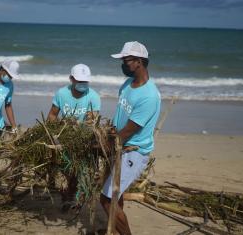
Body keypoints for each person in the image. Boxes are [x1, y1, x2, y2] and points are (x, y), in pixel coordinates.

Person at [100, 41, 161, 234]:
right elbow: (120, 119)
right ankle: (114, 229)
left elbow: (129, 131)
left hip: (132, 152)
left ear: (139, 62)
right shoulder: (127, 85)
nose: (123, 65)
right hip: (120, 145)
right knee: (116, 195)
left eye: (126, 61)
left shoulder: (150, 96)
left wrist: (103, 147)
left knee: (106, 200)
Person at [47, 63, 101, 210]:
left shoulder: (93, 97)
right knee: (64, 169)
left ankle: (74, 197)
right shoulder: (61, 94)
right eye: (79, 81)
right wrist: (52, 133)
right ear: (71, 79)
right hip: (63, 136)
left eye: (85, 81)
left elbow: (91, 121)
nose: (83, 84)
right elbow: (52, 115)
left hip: (83, 138)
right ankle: (65, 198)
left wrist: (81, 128)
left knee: (78, 170)